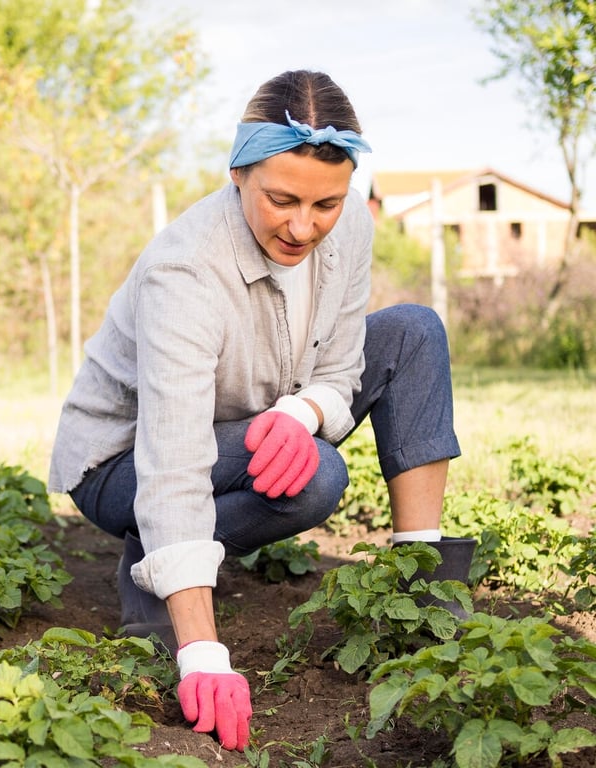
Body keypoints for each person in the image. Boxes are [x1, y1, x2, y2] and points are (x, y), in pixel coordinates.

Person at [48, 70, 474, 752]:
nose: (304, 226)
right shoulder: (185, 273)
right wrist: (204, 657)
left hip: (256, 419)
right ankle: (155, 571)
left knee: (415, 329)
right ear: (239, 173)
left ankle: (425, 596)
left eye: (325, 204)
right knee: (318, 479)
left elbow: (339, 363)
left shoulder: (348, 224)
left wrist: (304, 413)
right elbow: (174, 459)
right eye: (282, 200)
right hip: (125, 464)